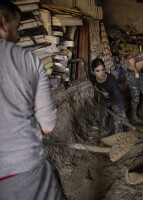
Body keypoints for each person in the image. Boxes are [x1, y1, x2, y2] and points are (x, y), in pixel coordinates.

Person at [0, 0, 62, 199]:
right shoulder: (28, 59)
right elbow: (48, 126)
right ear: (2, 22)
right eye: (16, 27)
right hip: (24, 169)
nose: (18, 36)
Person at [90, 58, 127, 135]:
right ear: (93, 72)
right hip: (104, 99)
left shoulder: (111, 80)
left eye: (102, 70)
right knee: (104, 118)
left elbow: (118, 97)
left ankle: (119, 136)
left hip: (114, 99)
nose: (101, 73)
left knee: (117, 120)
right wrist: (96, 97)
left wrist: (123, 113)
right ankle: (104, 135)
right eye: (97, 71)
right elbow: (95, 87)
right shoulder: (92, 77)